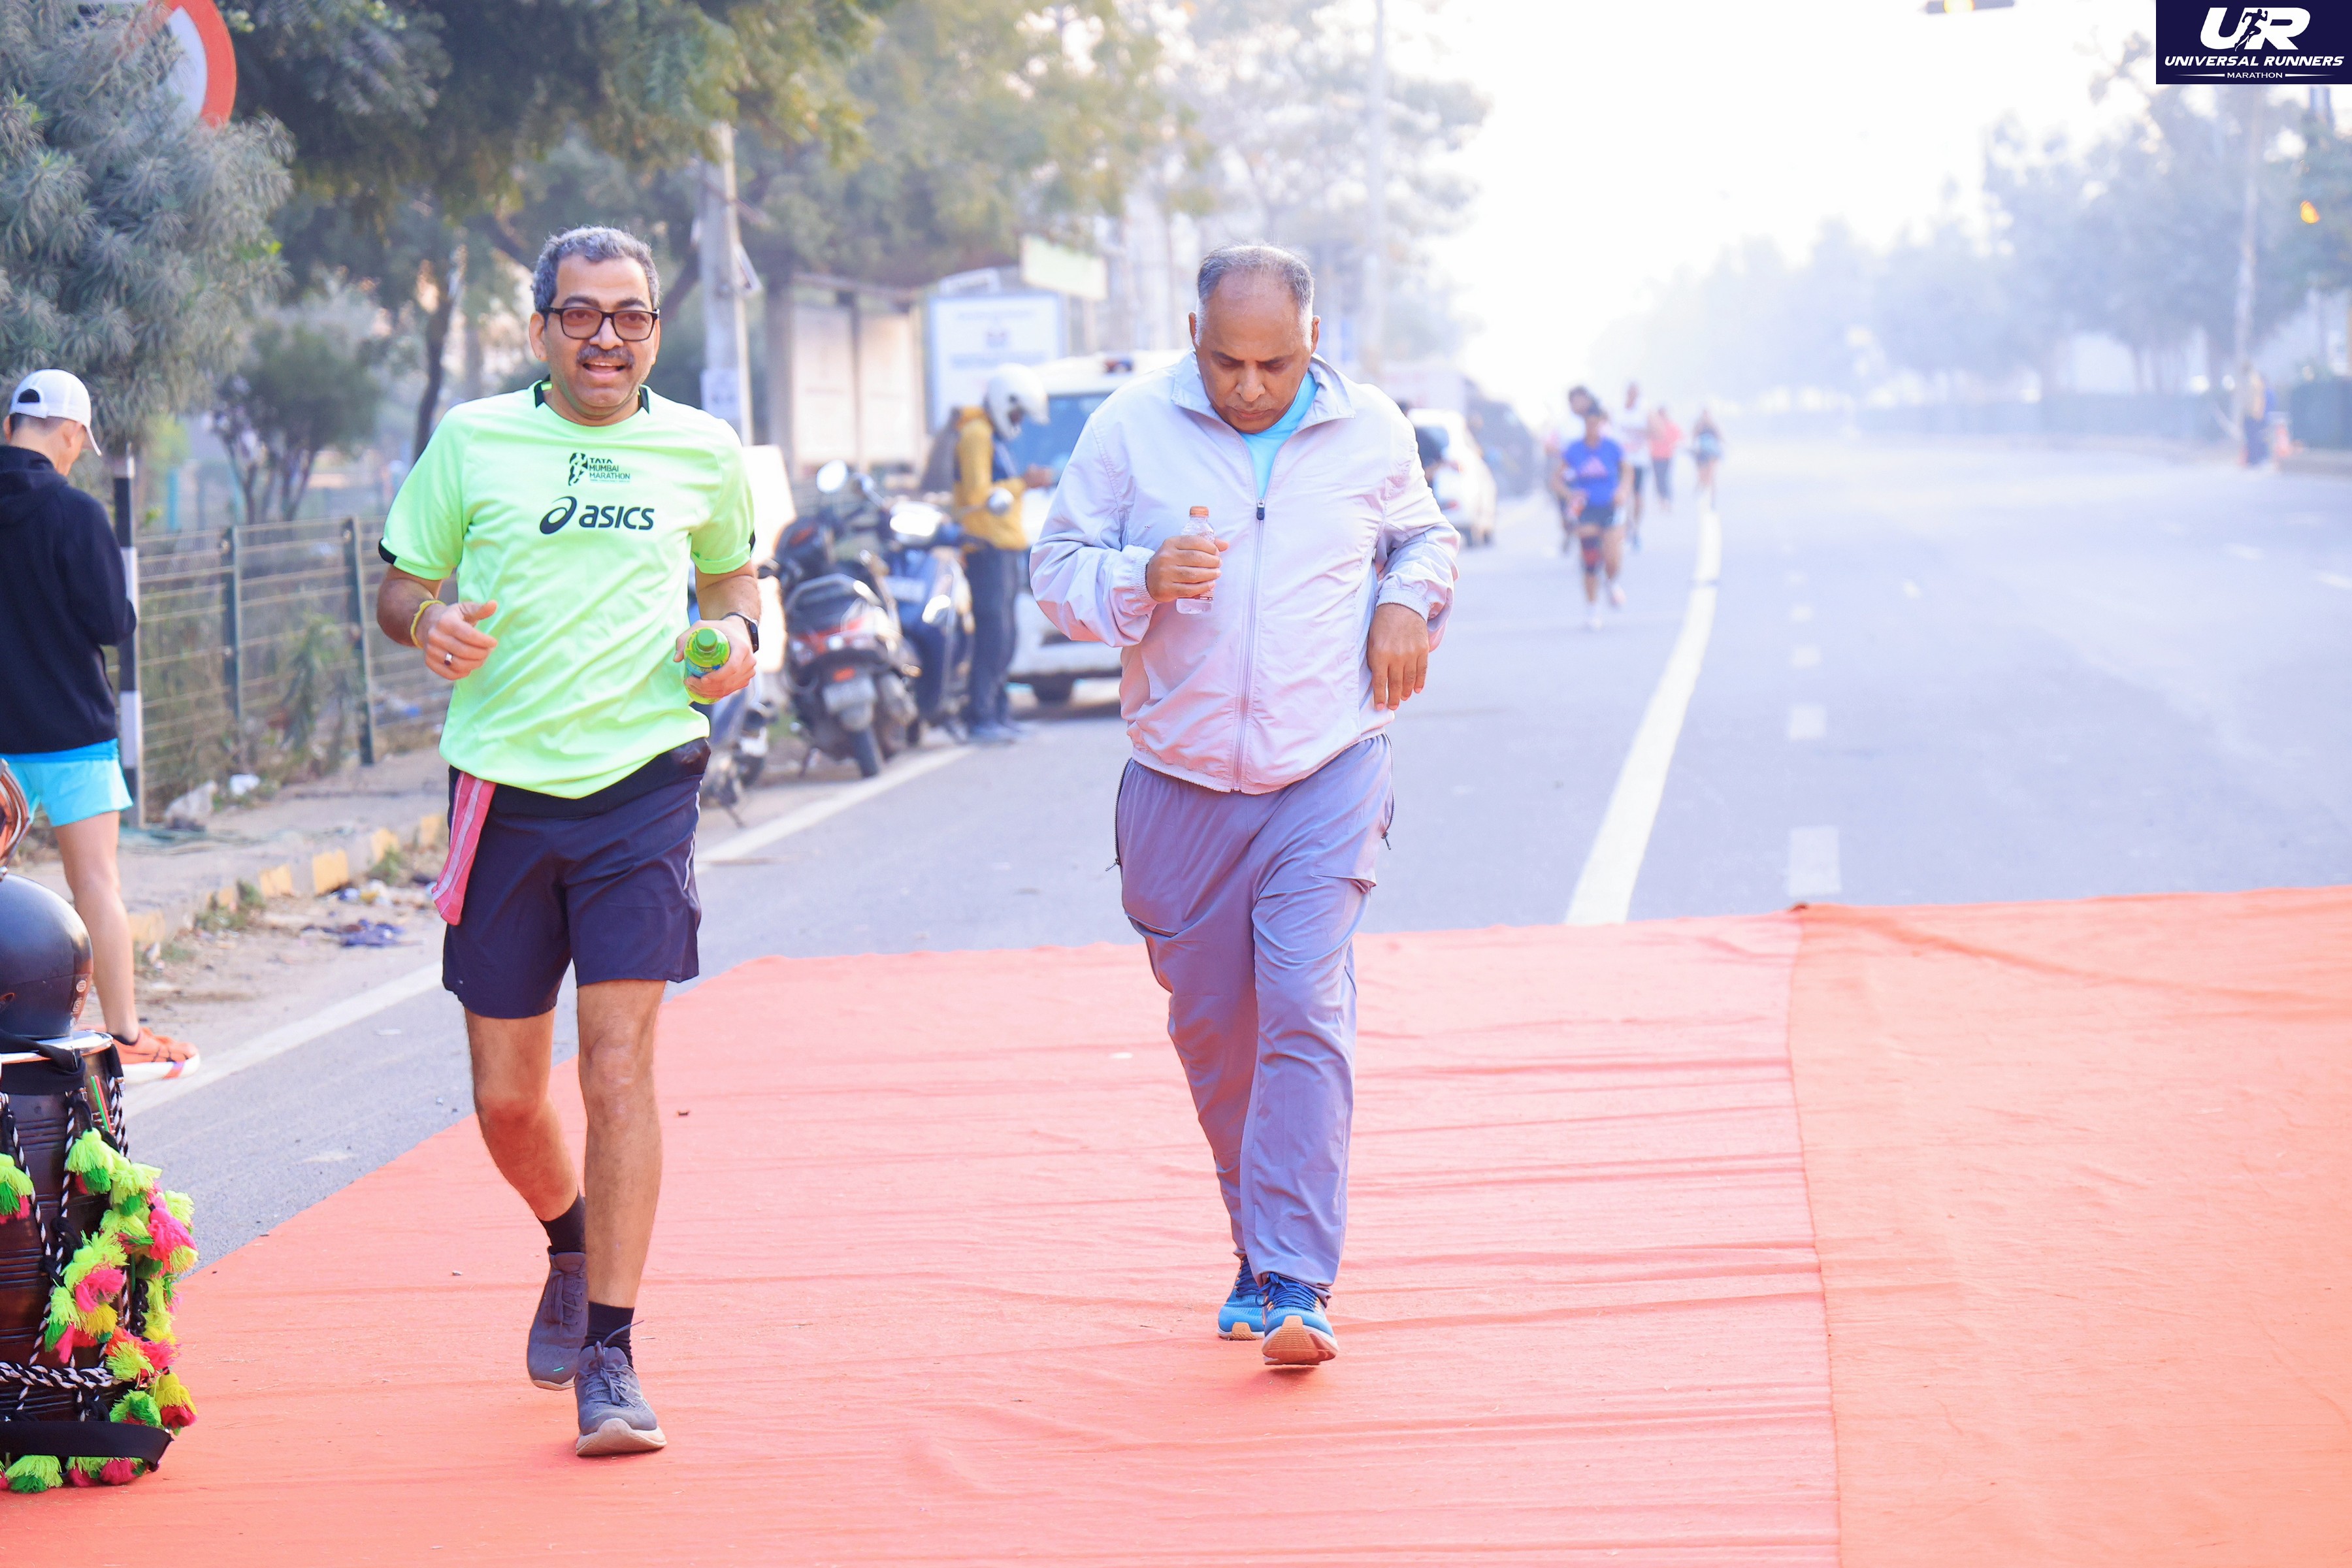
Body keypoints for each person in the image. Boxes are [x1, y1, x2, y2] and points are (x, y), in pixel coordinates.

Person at [1031, 244, 1458, 1368]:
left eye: (1278, 363)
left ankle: (1297, 1275)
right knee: (1218, 1035)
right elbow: (1055, 569)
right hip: (1177, 783)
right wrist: (1137, 578)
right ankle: (1257, 1250)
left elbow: (1424, 534)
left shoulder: (1371, 428)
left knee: (1305, 1004)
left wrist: (1408, 601)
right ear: (1194, 335)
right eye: (1229, 362)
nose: (1253, 387)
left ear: (1315, 342)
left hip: (1329, 766)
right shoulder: (1130, 428)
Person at [372, 226, 759, 1459]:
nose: (607, 337)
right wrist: (427, 622)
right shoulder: (473, 440)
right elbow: (398, 585)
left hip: (645, 782)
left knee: (618, 1067)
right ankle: (569, 1237)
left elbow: (732, 583)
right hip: (501, 792)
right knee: (505, 1100)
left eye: (630, 316)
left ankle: (613, 1353)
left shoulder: (702, 448)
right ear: (540, 327)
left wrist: (737, 643)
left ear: (655, 330)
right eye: (582, 314)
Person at [0, 370, 197, 1083]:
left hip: (1, 748)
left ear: (8, 428)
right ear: (71, 433)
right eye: (79, 443)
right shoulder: (76, 512)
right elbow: (112, 622)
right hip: (75, 733)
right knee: (95, 885)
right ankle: (124, 1033)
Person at [948, 365, 1054, 743]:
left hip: (1005, 546)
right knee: (993, 635)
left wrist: (1019, 485)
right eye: (1017, 414)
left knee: (1006, 635)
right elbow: (978, 496)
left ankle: (998, 712)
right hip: (986, 546)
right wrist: (1023, 483)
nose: (1018, 422)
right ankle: (980, 716)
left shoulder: (991, 437)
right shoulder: (976, 436)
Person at [1553, 400, 1629, 630]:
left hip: (1610, 507)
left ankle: (1611, 582)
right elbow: (1556, 480)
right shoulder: (1575, 450)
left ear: (1602, 424)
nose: (1593, 428)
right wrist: (1570, 495)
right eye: (1589, 424)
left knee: (1612, 558)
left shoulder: (1612, 448)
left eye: (1597, 424)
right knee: (1591, 561)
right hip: (1586, 510)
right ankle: (1592, 608)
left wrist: (1623, 491)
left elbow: (1628, 471)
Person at [1614, 381, 1653, 547]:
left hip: (1639, 461)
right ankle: (1625, 526)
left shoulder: (1645, 412)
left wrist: (1641, 430)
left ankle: (1636, 528)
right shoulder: (1617, 410)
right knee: (1623, 495)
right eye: (1632, 392)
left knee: (1637, 496)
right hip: (1621, 461)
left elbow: (1658, 432)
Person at [1648, 405, 1683, 512]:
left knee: (1664, 478)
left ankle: (1666, 499)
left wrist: (1673, 445)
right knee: (1659, 478)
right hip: (1655, 456)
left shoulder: (1671, 426)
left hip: (1667, 456)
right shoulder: (1653, 426)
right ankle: (1662, 499)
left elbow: (1679, 438)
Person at [1691, 408, 1725, 509]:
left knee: (1711, 476)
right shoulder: (1699, 425)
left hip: (1711, 453)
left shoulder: (1713, 425)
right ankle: (1702, 492)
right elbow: (1694, 437)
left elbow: (1720, 437)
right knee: (1703, 476)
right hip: (1702, 453)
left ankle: (1711, 499)